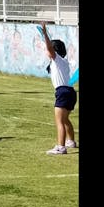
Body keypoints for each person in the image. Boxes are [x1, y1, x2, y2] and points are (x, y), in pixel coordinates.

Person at [40, 24, 77, 155]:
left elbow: (50, 49)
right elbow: (50, 49)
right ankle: (71, 141)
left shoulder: (56, 59)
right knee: (65, 119)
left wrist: (45, 35)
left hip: (62, 92)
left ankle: (61, 147)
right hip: (70, 93)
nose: (46, 51)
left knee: (59, 121)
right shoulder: (63, 61)